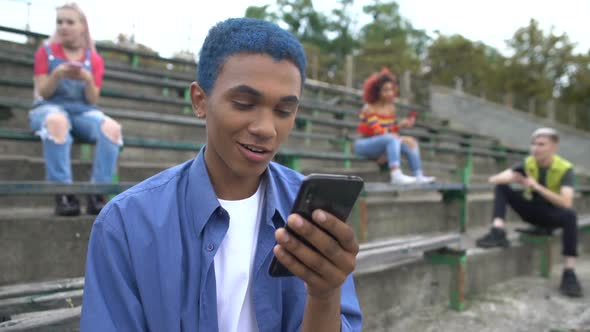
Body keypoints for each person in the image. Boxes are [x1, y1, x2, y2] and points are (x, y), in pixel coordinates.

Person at [80, 18, 362, 331]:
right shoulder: (126, 223)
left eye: (284, 111)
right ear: (200, 101)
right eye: (243, 104)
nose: (265, 129)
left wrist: (325, 294)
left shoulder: (310, 216)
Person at [29, 2, 122, 216]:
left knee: (112, 128)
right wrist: (57, 74)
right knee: (57, 122)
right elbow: (43, 92)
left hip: (81, 110)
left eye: (70, 22)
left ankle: (97, 192)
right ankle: (63, 192)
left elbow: (92, 99)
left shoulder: (94, 60)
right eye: (59, 22)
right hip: (48, 107)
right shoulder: (45, 53)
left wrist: (88, 79)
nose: (63, 26)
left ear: (82, 27)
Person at [476, 128, 582, 297]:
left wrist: (536, 187)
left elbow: (566, 202)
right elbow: (495, 179)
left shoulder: (565, 169)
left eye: (541, 144)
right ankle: (497, 231)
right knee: (502, 187)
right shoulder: (528, 162)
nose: (536, 148)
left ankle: (569, 272)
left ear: (554, 147)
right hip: (531, 210)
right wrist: (514, 177)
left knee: (570, 216)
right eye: (533, 144)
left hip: (552, 214)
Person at [354, 68, 435, 185]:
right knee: (395, 139)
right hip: (364, 144)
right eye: (385, 90)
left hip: (384, 142)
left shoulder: (391, 108)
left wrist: (401, 126)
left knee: (411, 143)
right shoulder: (369, 108)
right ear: (376, 92)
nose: (390, 93)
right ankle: (396, 174)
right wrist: (400, 134)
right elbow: (379, 132)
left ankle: (418, 175)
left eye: (391, 89)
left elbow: (391, 131)